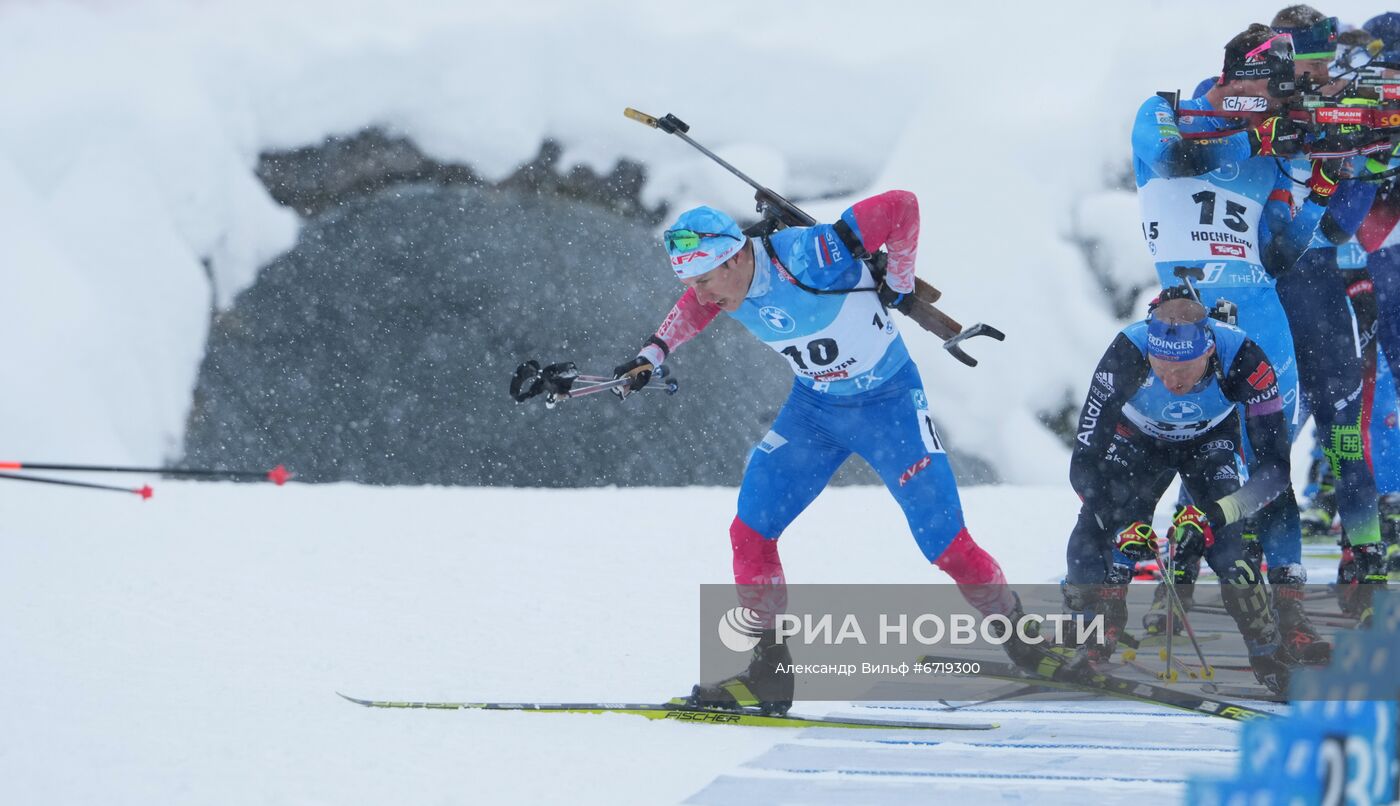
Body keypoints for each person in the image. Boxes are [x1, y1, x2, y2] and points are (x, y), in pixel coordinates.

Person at [611, 191, 1047, 713]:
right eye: (692, 283)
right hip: (814, 414)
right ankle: (769, 674)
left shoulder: (809, 254)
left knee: (946, 546)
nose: (700, 294)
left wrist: (901, 282)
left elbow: (902, 206)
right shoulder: (719, 287)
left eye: (704, 280)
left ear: (733, 259)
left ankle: (1024, 638)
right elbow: (691, 311)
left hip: (888, 408)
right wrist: (651, 354)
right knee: (750, 532)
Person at [1133, 22, 1336, 658]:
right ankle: (1154, 589)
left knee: (1269, 470)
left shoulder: (1274, 142)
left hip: (1259, 315)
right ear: (1236, 79)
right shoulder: (1164, 111)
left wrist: (1319, 179)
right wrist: (1262, 136)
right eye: (1273, 88)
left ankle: (1290, 612)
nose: (1281, 100)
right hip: (1185, 320)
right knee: (1173, 458)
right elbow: (1176, 159)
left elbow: (1283, 247)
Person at [1065, 288, 1296, 693]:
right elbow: (1083, 464)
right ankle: (1093, 634)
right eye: (1161, 367)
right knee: (1090, 536)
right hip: (1137, 440)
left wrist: (1218, 515)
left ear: (1208, 352)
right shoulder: (1126, 352)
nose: (1172, 381)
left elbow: (1275, 472)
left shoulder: (1244, 359)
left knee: (1232, 553)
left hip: (1209, 444)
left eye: (1183, 370)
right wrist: (1121, 523)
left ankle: (1268, 653)